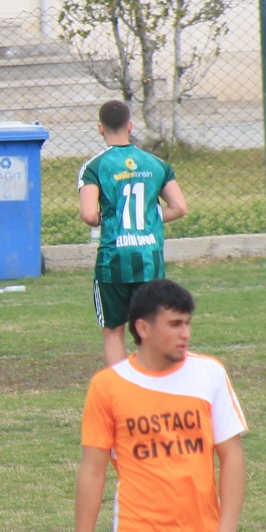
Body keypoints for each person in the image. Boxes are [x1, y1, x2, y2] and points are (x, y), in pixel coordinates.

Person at [74, 279, 247, 532]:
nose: (185, 334)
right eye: (174, 324)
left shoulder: (209, 374)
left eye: (187, 324)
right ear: (143, 328)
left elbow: (233, 458)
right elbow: (92, 471)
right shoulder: (108, 387)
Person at [78, 100, 189, 366]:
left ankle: (121, 391)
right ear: (130, 126)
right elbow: (179, 207)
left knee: (113, 331)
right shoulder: (156, 164)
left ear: (100, 129)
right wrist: (148, 218)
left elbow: (89, 215)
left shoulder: (94, 167)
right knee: (153, 327)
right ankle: (157, 383)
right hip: (148, 258)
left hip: (113, 259)